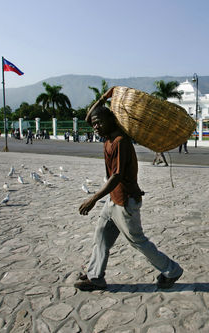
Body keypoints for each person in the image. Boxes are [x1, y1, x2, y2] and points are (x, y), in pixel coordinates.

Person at [75, 87, 183, 291]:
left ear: (112, 120)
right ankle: (95, 276)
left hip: (125, 202)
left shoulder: (120, 142)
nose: (95, 126)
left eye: (100, 122)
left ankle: (172, 271)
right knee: (101, 236)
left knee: (137, 241)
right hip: (113, 201)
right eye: (94, 124)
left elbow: (116, 177)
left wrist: (93, 199)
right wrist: (103, 97)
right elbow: (90, 116)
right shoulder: (107, 137)